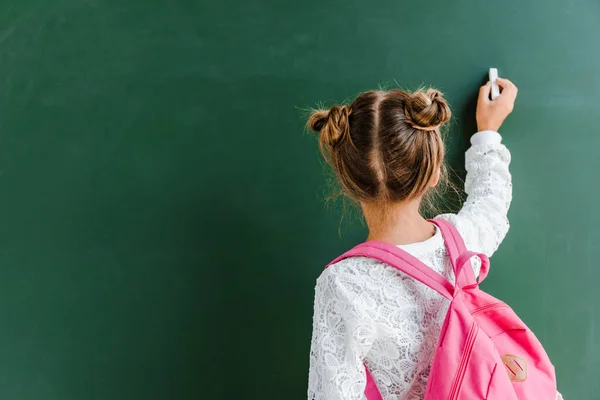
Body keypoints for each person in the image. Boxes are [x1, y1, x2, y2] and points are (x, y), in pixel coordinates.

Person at [306, 79, 563, 400]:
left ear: (346, 180)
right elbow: (491, 202)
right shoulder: (461, 238)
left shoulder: (344, 283)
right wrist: (487, 130)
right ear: (434, 173)